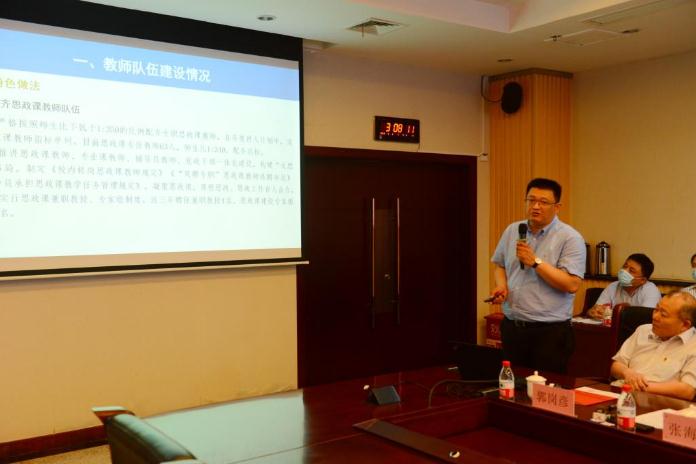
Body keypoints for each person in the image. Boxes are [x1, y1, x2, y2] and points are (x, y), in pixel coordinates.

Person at [489, 178, 586, 374]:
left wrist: (535, 262)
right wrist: (502, 286)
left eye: (543, 202)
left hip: (550, 333)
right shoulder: (513, 230)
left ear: (557, 207)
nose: (535, 206)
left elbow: (572, 284)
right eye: (531, 200)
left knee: (545, 389)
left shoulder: (570, 238)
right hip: (513, 327)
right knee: (511, 385)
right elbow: (500, 265)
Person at [610, 291, 696, 401]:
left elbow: (687, 390)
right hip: (618, 394)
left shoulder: (693, 345)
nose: (655, 316)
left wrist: (639, 386)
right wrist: (627, 373)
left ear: (685, 324)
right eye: (656, 309)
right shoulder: (643, 330)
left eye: (663, 315)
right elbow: (616, 365)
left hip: (659, 402)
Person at [586, 254, 661, 319]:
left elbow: (645, 318)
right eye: (625, 266)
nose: (624, 271)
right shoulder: (613, 286)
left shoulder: (651, 290)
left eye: (631, 270)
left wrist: (620, 312)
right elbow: (596, 309)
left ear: (642, 280)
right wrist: (591, 312)